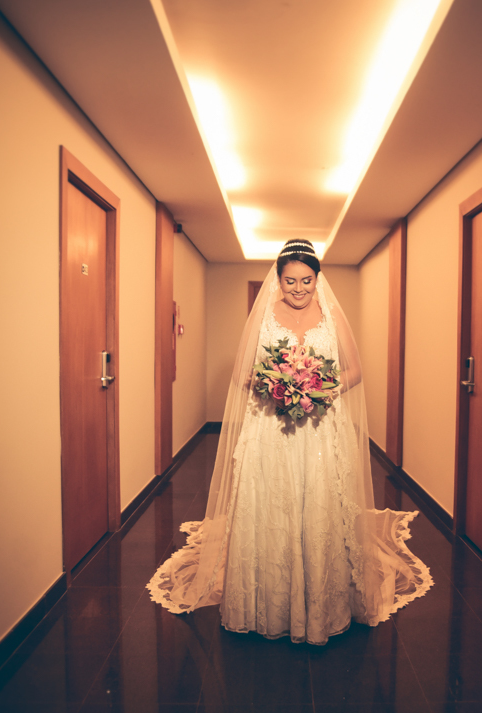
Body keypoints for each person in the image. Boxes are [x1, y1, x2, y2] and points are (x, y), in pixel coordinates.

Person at [147, 239, 433, 644]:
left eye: (306, 281)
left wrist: (318, 389)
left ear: (317, 279)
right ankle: (269, 602)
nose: (299, 289)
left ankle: (321, 603)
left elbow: (354, 372)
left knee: (319, 502)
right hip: (270, 427)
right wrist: (273, 385)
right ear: (278, 280)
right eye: (290, 281)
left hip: (320, 428)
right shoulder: (264, 314)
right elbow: (241, 375)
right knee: (272, 504)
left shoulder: (331, 315)